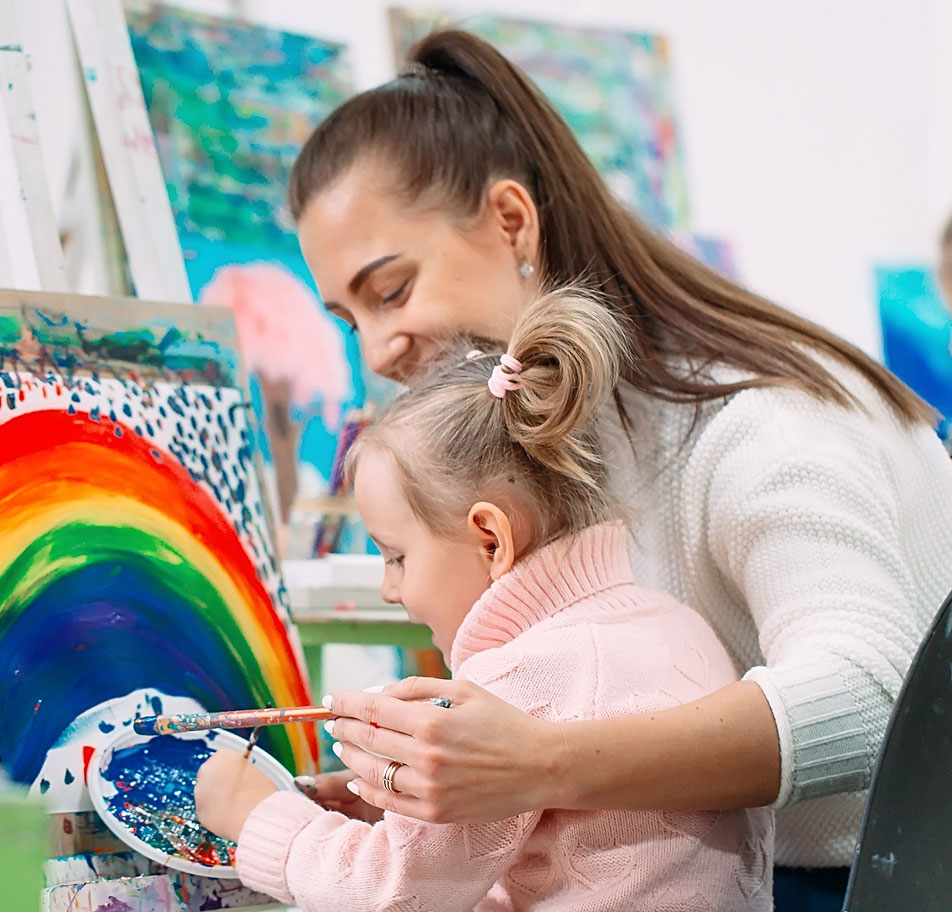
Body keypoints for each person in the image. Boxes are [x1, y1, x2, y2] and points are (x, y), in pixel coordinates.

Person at [282, 29, 952, 911]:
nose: (378, 348)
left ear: (513, 221)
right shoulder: (557, 453)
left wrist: (534, 767)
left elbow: (871, 698)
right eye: (347, 318)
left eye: (392, 291)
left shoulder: (759, 421)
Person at [195, 288, 774, 910]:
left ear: (490, 539)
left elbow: (396, 894)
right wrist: (391, 813)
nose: (391, 590)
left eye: (396, 557)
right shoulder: (676, 621)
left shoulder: (512, 679)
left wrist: (260, 818)